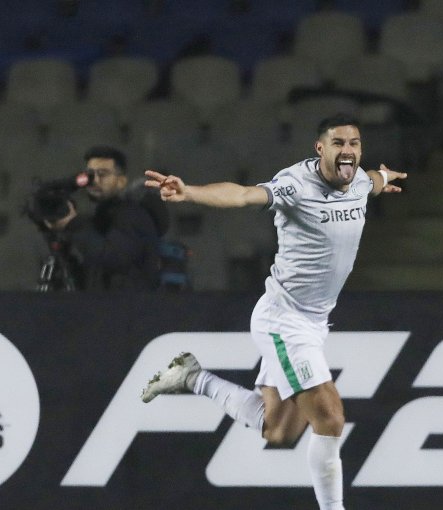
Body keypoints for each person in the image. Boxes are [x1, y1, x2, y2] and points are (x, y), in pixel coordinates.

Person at [140, 114, 406, 510]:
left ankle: (193, 378)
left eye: (354, 143)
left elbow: (374, 182)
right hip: (284, 319)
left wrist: (384, 178)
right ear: (321, 149)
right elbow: (244, 195)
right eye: (338, 143)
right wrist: (191, 192)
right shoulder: (296, 184)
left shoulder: (361, 182)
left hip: (314, 323)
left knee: (277, 430)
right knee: (330, 418)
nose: (347, 150)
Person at [41, 145, 169, 290]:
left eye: (102, 174)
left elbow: (113, 259)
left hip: (129, 309)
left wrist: (73, 223)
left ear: (121, 181)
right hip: (105, 308)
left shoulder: (133, 215)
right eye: (89, 175)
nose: (94, 180)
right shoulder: (103, 217)